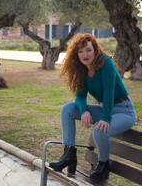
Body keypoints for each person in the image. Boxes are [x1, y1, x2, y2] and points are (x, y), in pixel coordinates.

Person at [49, 33, 136, 182]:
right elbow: (80, 96)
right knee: (67, 109)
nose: (85, 55)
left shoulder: (105, 62)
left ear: (95, 50)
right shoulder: (82, 70)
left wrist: (105, 118)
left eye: (88, 50)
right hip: (104, 108)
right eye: (80, 51)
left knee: (100, 130)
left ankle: (103, 166)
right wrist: (84, 111)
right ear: (76, 55)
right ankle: (69, 154)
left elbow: (109, 92)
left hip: (124, 110)